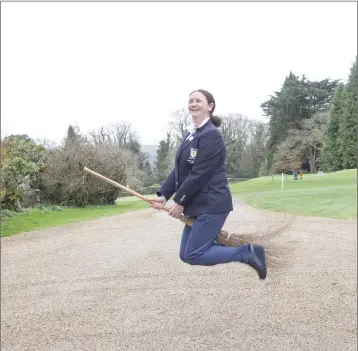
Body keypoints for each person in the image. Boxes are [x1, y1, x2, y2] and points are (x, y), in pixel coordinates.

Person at [149, 89, 267, 279]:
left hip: (212, 204)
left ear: (210, 106)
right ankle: (220, 246)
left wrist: (179, 202)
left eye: (198, 101)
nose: (193, 104)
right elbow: (179, 171)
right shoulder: (191, 136)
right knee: (186, 254)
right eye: (191, 101)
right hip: (198, 206)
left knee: (195, 253)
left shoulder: (211, 135)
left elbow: (200, 173)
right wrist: (163, 196)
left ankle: (248, 253)